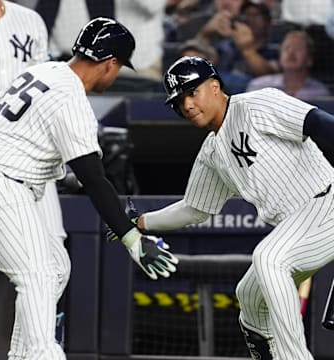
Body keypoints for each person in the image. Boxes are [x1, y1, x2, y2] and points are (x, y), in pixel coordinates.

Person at [0, 17, 178, 360]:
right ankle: (41, 352)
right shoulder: (70, 94)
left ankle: (23, 354)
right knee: (37, 276)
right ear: (110, 64)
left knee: (55, 268)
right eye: (117, 68)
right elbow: (93, 177)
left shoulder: (42, 71)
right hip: (1, 188)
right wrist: (131, 238)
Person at [127, 56, 334, 359]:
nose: (186, 105)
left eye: (191, 93)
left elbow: (318, 121)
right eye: (179, 100)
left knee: (269, 257)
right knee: (249, 299)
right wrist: (140, 222)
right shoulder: (211, 151)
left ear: (214, 86)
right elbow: (193, 209)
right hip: (300, 226)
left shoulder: (256, 104)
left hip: (326, 201)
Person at [0, 1, 68, 359]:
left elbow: (46, 87)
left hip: (31, 162)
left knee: (54, 265)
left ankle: (33, 352)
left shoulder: (29, 21)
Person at [246, 30, 331, 99]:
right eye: (286, 48)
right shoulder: (258, 86)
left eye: (298, 48)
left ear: (309, 59)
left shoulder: (320, 93)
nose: (291, 52)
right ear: (279, 57)